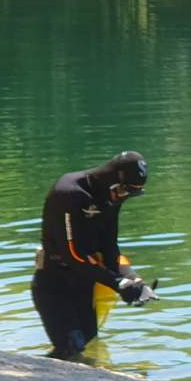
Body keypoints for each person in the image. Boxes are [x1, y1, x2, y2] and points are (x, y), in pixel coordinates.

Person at [32, 152, 155, 358]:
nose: (123, 197)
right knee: (71, 348)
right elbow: (74, 254)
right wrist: (118, 283)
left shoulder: (112, 197)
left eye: (130, 193)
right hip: (55, 283)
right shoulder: (69, 192)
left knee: (89, 344)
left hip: (85, 283)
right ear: (112, 178)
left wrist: (134, 280)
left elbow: (109, 247)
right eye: (124, 190)